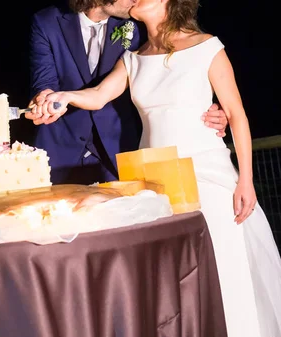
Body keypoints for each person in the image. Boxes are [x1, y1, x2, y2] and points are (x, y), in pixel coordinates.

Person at [27, 0, 281, 335]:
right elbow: (99, 95)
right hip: (153, 178)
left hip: (205, 170)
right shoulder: (133, 57)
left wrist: (245, 180)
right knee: (169, 275)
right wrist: (64, 97)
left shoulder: (207, 47)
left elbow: (236, 115)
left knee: (222, 262)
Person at [27, 0, 228, 185]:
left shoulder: (140, 23)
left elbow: (174, 71)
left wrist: (206, 109)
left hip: (120, 152)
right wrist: (46, 100)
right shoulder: (47, 21)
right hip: (61, 148)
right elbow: (45, 81)